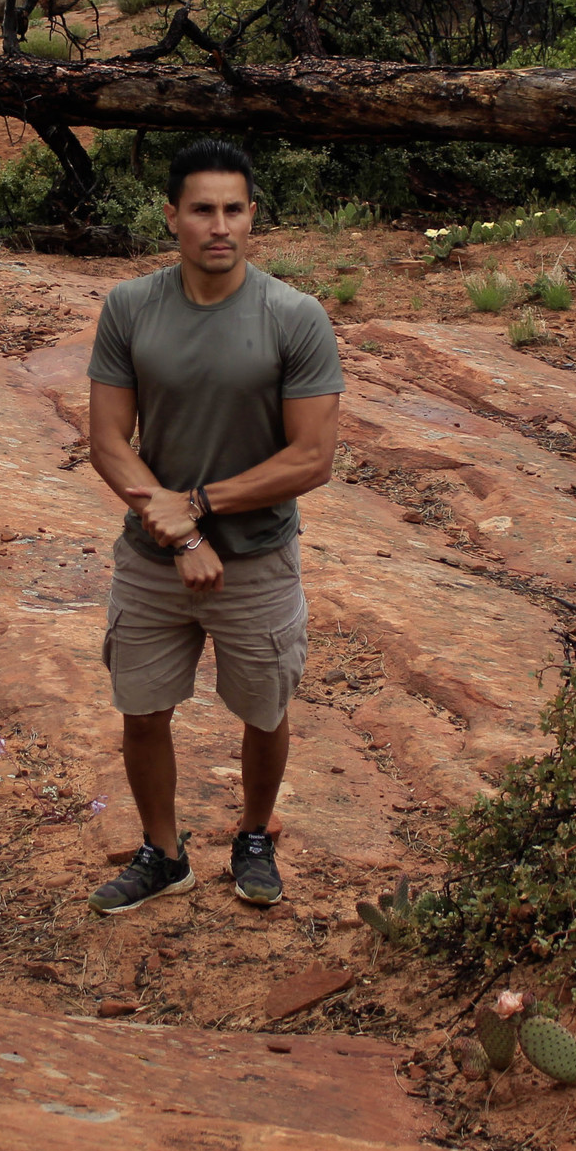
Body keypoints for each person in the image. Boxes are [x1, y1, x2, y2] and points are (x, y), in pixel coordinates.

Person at [82, 138, 342, 913]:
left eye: (233, 208)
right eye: (202, 209)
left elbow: (313, 457)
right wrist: (180, 534)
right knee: (142, 707)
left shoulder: (294, 317)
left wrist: (197, 506)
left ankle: (254, 833)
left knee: (264, 708)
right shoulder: (130, 307)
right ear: (172, 216)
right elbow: (105, 441)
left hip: (259, 559)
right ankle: (162, 852)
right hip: (152, 559)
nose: (218, 225)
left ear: (253, 215)